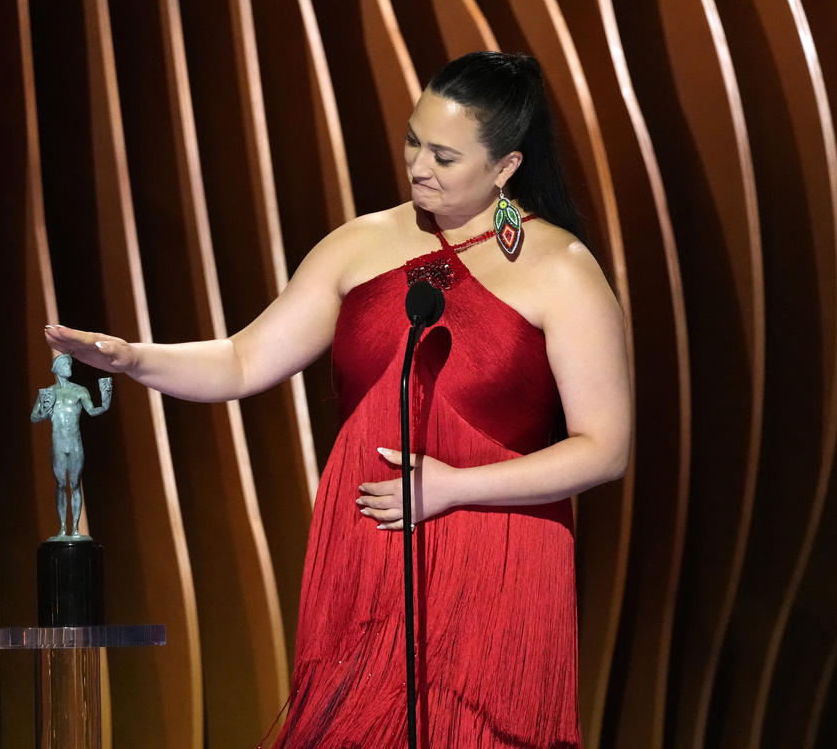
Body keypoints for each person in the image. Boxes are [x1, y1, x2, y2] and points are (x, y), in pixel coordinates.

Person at [45, 52, 630, 747]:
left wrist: (452, 487)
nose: (418, 166)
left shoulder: (559, 267)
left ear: (505, 167)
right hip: (371, 541)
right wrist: (133, 358)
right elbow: (241, 360)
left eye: (445, 156)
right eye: (413, 140)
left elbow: (605, 449)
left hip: (498, 551)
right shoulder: (361, 243)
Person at [30, 353, 113, 539]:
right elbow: (34, 417)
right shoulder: (48, 393)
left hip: (75, 444)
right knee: (60, 484)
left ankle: (75, 528)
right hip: (58, 444)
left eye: (69, 364)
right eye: (65, 364)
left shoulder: (80, 391)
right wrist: (45, 409)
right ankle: (61, 528)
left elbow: (92, 411)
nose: (69, 367)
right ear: (57, 368)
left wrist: (105, 403)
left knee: (75, 485)